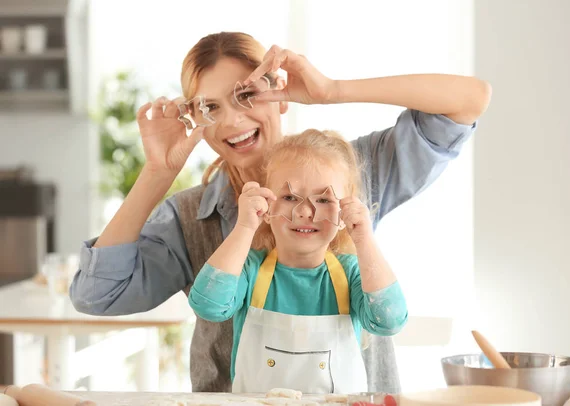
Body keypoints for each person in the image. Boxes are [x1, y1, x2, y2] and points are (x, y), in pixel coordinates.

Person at [69, 31, 491, 393]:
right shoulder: (192, 216)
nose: (232, 121)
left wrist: (334, 90)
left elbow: (469, 100)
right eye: (211, 108)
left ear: (280, 95)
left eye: (247, 94)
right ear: (195, 119)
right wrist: (159, 171)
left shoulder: (352, 172)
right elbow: (96, 296)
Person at [189, 129, 408, 393]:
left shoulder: (351, 274)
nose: (304, 211)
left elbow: (389, 320)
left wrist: (363, 238)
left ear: (345, 211)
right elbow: (208, 305)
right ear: (268, 207)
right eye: (289, 197)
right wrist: (245, 227)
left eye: (324, 199)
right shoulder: (252, 269)